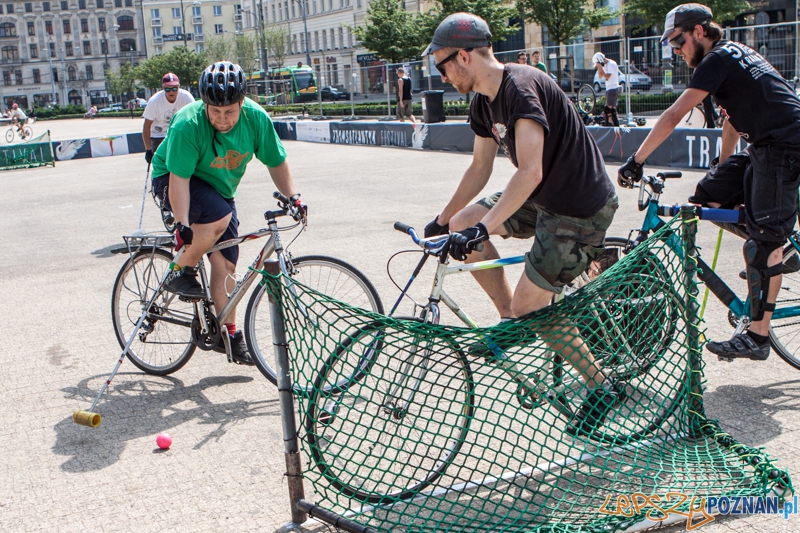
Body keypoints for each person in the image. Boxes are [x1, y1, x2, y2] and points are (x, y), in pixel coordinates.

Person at [422, 13, 621, 434]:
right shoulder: (482, 100)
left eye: (441, 66)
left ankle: (601, 384)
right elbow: (480, 168)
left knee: (534, 303)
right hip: (543, 198)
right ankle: (511, 321)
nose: (440, 77)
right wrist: (443, 222)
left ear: (463, 56)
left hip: (579, 206)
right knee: (464, 222)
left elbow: (529, 170)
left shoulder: (521, 88)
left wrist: (486, 227)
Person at [618, 3, 800, 361]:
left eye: (679, 41)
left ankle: (758, 337)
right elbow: (733, 118)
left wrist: (636, 161)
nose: (676, 49)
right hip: (765, 145)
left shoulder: (716, 59)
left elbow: (673, 115)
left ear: (699, 32)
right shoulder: (730, 57)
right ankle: (771, 250)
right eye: (671, 44)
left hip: (785, 146)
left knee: (764, 241)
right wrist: (723, 166)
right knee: (708, 197)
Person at [149, 61, 305, 366]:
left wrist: (294, 198)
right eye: (215, 111)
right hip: (173, 178)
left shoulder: (256, 119)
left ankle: (227, 334)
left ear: (242, 102)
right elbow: (179, 180)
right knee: (218, 218)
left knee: (227, 265)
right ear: (205, 105)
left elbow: (276, 161)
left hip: (220, 189)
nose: (222, 119)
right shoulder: (188, 123)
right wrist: (182, 226)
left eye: (229, 111)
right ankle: (179, 272)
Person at [141, 72, 194, 164]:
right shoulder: (155, 101)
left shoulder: (187, 98)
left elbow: (195, 119)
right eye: (167, 89)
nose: (171, 92)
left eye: (174, 88)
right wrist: (148, 150)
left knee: (183, 162)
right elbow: (146, 125)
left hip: (179, 134)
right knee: (162, 164)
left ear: (179, 87)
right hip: (159, 135)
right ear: (163, 88)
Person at [593, 52, 620, 126]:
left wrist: (600, 67)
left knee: (608, 109)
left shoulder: (611, 64)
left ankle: (610, 123)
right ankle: (613, 123)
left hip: (613, 88)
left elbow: (607, 76)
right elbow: (600, 76)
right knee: (611, 109)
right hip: (609, 88)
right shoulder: (605, 65)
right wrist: (599, 68)